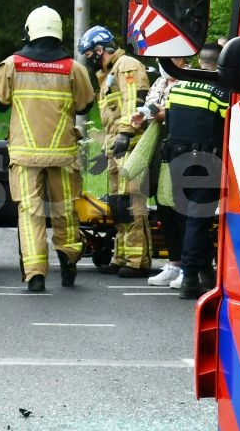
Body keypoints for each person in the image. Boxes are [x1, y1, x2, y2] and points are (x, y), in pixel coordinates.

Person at [0, 6, 95, 292]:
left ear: (29, 30)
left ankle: (35, 274)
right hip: (62, 153)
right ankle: (69, 262)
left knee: (30, 212)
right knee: (64, 209)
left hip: (24, 154)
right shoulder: (74, 68)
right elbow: (86, 105)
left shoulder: (12, 65)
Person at [79, 24, 151, 277]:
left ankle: (137, 262)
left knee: (131, 203)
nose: (89, 60)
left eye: (89, 55)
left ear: (100, 49)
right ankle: (121, 257)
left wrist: (125, 133)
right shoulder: (108, 74)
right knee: (119, 205)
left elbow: (134, 101)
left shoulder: (127, 66)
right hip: (117, 148)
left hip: (130, 146)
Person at [162, 41, 228, 300]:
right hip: (205, 160)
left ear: (201, 60)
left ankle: (203, 271)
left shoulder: (177, 87)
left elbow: (168, 122)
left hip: (176, 159)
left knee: (185, 217)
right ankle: (190, 277)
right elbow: (226, 126)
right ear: (220, 63)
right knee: (197, 221)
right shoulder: (218, 91)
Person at [133, 56, 186, 288]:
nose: (165, 63)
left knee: (180, 207)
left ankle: (187, 266)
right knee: (163, 205)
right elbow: (151, 106)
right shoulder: (159, 83)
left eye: (171, 57)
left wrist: (167, 114)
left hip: (182, 146)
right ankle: (174, 264)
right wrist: (143, 115)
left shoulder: (189, 80)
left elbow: (186, 111)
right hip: (159, 146)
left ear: (182, 59)